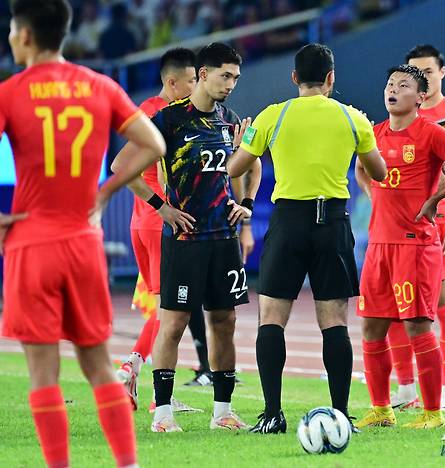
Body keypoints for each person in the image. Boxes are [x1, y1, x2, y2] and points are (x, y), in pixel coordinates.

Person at [0, 1, 166, 466]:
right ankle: (127, 464)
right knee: (97, 367)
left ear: (26, 35)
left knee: (43, 373)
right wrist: (107, 190)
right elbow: (154, 143)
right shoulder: (100, 86)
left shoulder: (11, 93)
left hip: (32, 244)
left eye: (13, 31)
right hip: (82, 242)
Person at [227, 43, 387, 434]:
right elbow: (379, 173)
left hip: (288, 222)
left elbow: (236, 167)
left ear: (294, 77)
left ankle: (272, 414)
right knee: (334, 322)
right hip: (331, 221)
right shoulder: (353, 119)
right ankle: (340, 415)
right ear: (332, 78)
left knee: (273, 318)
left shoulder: (272, 115)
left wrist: (239, 146)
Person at [115, 42, 258, 432]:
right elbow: (122, 166)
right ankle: (162, 415)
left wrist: (245, 202)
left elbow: (253, 163)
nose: (230, 84)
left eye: (235, 78)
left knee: (224, 320)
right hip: (184, 240)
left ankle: (223, 412)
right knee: (173, 323)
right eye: (224, 76)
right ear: (204, 73)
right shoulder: (168, 120)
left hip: (223, 240)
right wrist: (161, 207)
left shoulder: (229, 121)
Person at [354, 65, 445, 429]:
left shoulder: (431, 133)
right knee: (372, 327)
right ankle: (381, 408)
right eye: (390, 83)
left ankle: (433, 412)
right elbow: (363, 169)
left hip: (415, 246)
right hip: (379, 245)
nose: (392, 89)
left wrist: (437, 198)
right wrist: (373, 195)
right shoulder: (374, 133)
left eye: (403, 85)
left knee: (418, 327)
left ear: (420, 97)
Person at [112, 47, 198, 409]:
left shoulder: (147, 109)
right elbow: (121, 166)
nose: (197, 86)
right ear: (173, 82)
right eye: (193, 80)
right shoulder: (160, 115)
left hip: (143, 223)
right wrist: (162, 206)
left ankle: (159, 393)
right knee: (171, 312)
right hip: (159, 224)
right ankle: (131, 368)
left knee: (164, 311)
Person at [386, 44, 445, 411]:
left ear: (442, 72)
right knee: (395, 311)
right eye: (413, 72)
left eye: (428, 71)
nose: (423, 77)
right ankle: (405, 390)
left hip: (441, 221)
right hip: (398, 226)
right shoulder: (398, 114)